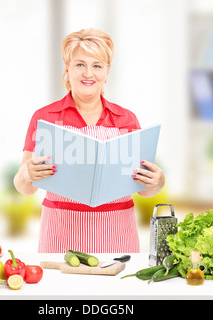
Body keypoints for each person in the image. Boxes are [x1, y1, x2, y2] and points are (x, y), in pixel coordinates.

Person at [14, 28, 165, 253]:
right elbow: (25, 188)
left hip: (117, 234)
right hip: (61, 235)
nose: (88, 73)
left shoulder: (126, 119)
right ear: (67, 69)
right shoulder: (44, 118)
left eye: (97, 65)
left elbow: (144, 190)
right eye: (80, 64)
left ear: (107, 71)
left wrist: (158, 181)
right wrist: (26, 175)